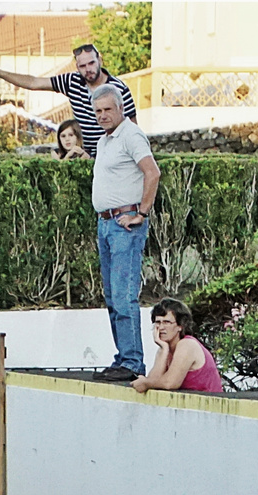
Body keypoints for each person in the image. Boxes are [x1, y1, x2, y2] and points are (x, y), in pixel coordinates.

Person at [88, 84, 159, 383]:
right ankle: (123, 356)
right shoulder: (106, 140)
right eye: (98, 111)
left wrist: (141, 213)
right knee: (111, 295)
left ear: (120, 109)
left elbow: (152, 172)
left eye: (108, 109)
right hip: (106, 223)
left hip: (124, 224)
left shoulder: (130, 134)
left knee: (124, 294)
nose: (103, 115)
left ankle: (132, 362)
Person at [0, 43, 137, 157]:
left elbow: (133, 128)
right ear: (77, 67)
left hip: (111, 156)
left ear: (99, 60)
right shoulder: (71, 81)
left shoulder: (119, 89)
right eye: (83, 66)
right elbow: (34, 82)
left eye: (91, 63)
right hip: (81, 156)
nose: (88, 69)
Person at [131, 298, 223, 394]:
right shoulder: (164, 349)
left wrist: (146, 383)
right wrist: (164, 349)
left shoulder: (187, 345)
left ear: (180, 326)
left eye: (167, 322)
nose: (161, 327)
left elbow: (170, 383)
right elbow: (153, 382)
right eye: (158, 322)